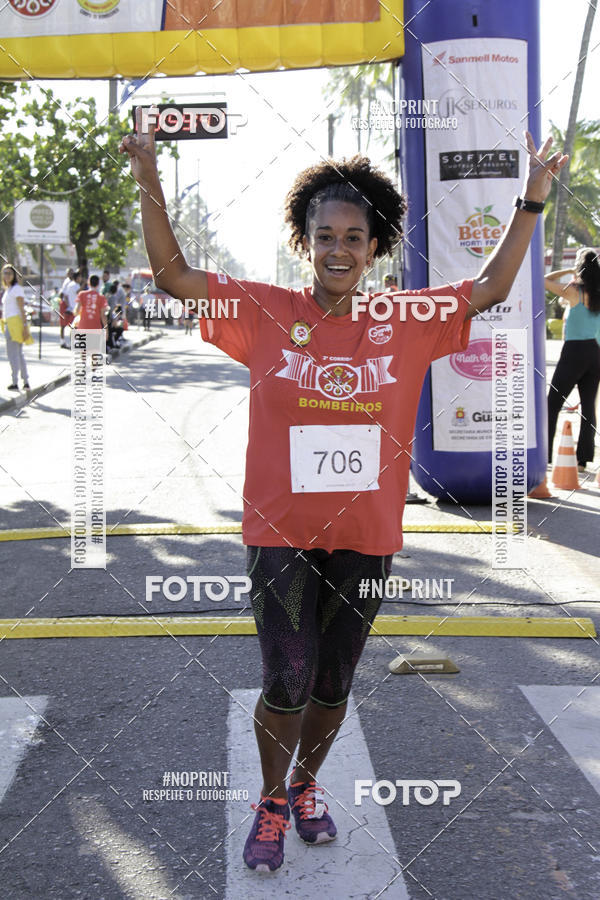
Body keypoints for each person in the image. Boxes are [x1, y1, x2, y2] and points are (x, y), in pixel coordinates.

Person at [121, 116, 566, 873]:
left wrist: (530, 201)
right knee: (286, 678)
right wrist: (149, 178)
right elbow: (173, 277)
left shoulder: (408, 318)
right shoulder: (264, 312)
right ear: (305, 239)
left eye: (353, 237)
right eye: (325, 235)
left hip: (364, 533)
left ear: (375, 246)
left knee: (334, 681)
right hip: (280, 530)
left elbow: (490, 287)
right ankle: (268, 799)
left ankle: (306, 785)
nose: (338, 249)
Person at [545, 248, 600, 471]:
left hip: (575, 351)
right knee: (588, 406)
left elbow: (544, 280)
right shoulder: (597, 292)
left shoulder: (575, 291)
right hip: (596, 352)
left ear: (580, 268)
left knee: (552, 403)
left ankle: (545, 456)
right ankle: (582, 461)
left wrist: (569, 269)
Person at [1, 264, 32, 391]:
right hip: (8, 323)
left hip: (15, 324)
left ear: (14, 275)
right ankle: (25, 382)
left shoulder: (16, 289)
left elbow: (21, 309)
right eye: (5, 273)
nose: (7, 275)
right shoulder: (8, 290)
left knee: (13, 355)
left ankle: (16, 382)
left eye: (9, 273)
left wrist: (25, 327)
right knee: (18, 354)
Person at [60, 269, 82, 348]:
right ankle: (69, 342)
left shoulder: (72, 283)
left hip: (71, 308)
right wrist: (67, 305)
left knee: (72, 326)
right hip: (72, 308)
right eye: (69, 273)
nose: (70, 274)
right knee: (71, 326)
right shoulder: (71, 283)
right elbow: (63, 295)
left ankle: (71, 342)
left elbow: (66, 295)